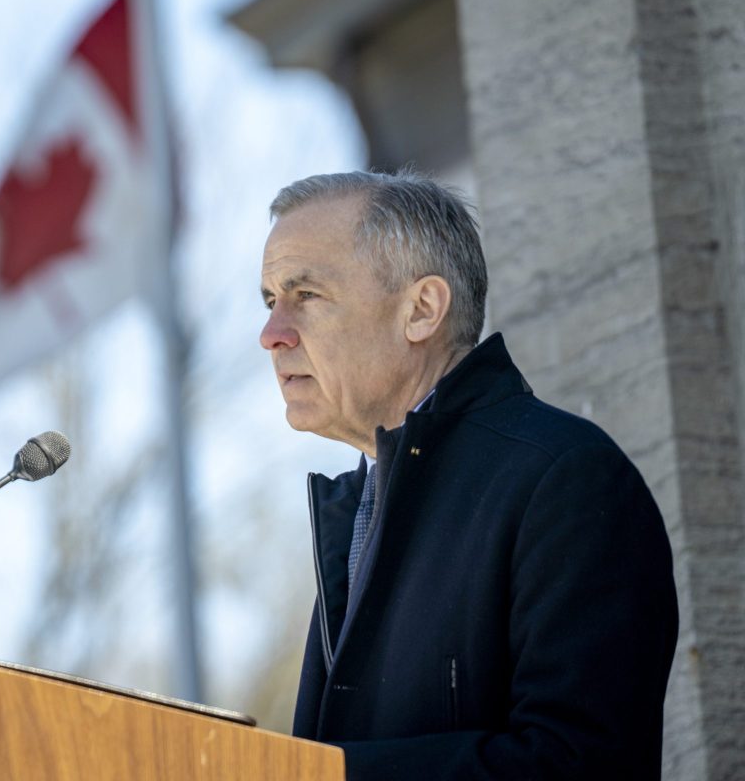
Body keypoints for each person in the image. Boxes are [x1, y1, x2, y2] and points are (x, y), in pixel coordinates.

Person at [259, 170, 678, 780]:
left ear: (422, 310)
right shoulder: (359, 508)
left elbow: (579, 763)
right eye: (271, 301)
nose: (272, 334)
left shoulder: (564, 480)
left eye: (306, 295)